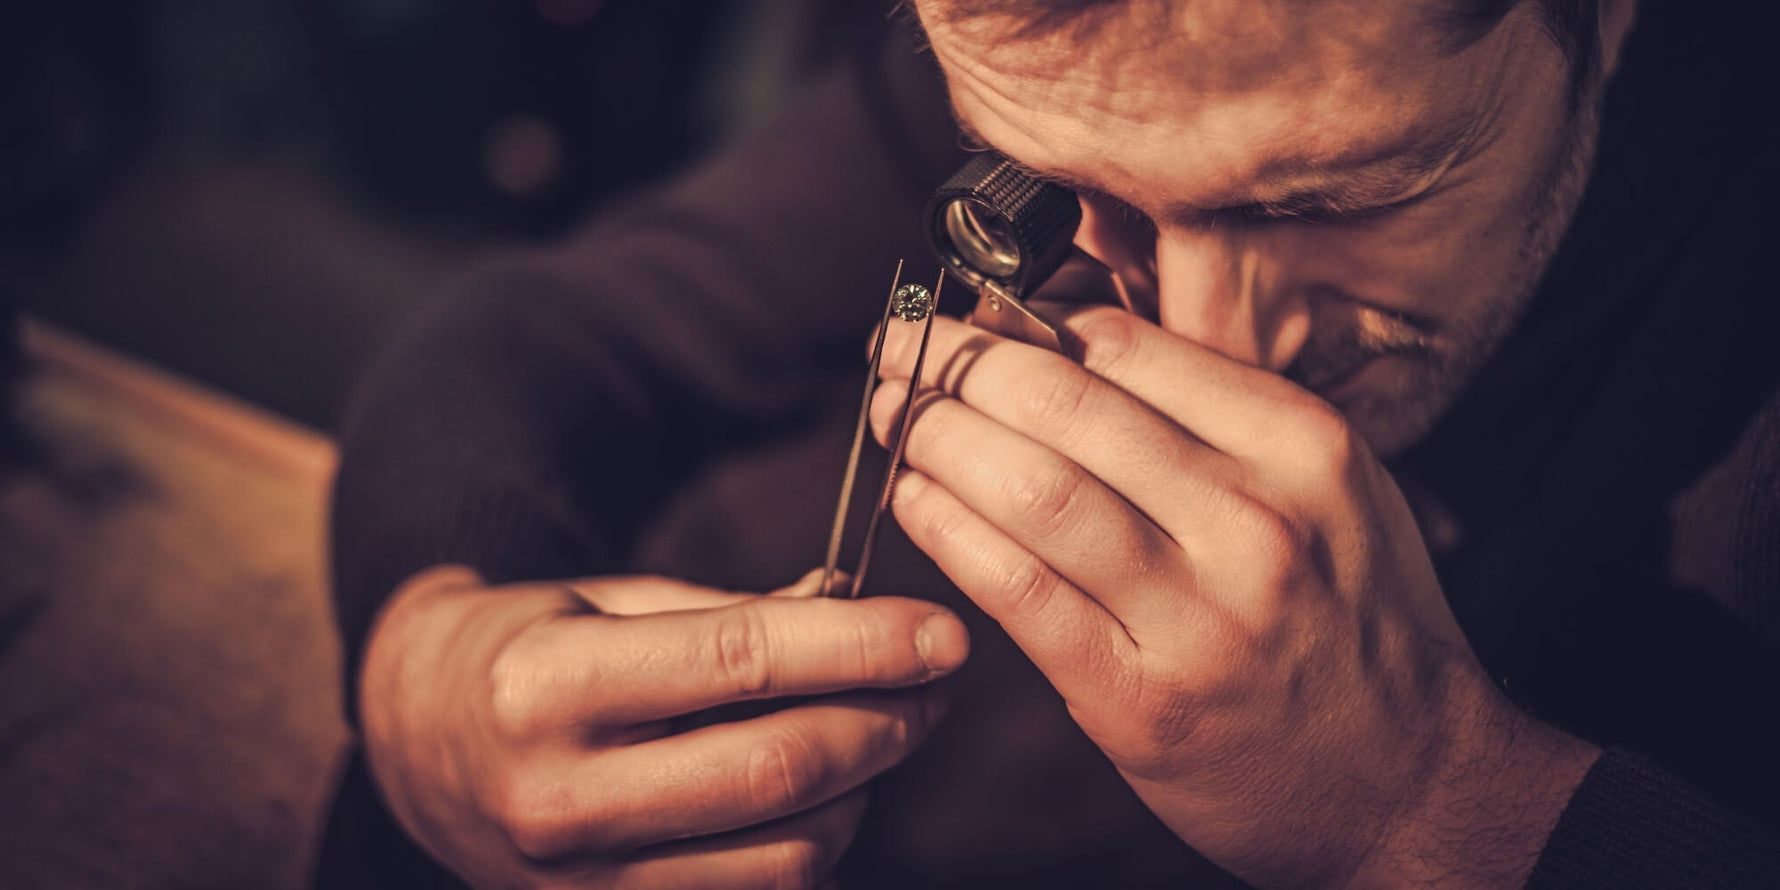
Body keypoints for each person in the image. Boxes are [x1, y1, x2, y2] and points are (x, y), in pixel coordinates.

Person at [320, 0, 1780, 886]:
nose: (1205, 340)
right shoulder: (1107, 55)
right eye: (1078, 196)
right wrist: (433, 669)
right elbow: (572, 328)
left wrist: (1430, 807)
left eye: (1333, 202)